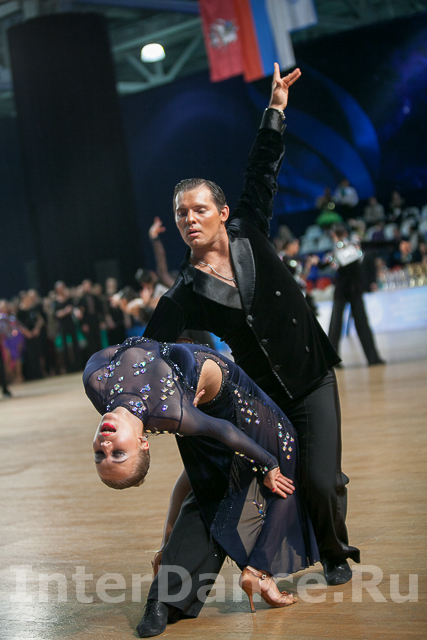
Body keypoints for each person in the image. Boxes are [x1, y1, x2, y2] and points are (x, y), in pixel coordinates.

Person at [142, 62, 359, 610]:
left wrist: (275, 111)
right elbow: (148, 351)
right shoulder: (183, 292)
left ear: (222, 213)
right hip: (261, 395)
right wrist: (135, 411)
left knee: (321, 481)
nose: (190, 219)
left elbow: (263, 167)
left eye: (199, 209)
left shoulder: (250, 229)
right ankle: (210, 571)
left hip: (310, 375)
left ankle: (335, 551)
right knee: (258, 482)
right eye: (181, 214)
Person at [84, 336, 319, 633]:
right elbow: (219, 439)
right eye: (117, 454)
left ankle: (254, 571)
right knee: (268, 469)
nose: (106, 445)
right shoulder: (172, 412)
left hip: (232, 404)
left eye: (100, 455)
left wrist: (269, 464)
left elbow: (123, 350)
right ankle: (248, 575)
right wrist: (270, 464)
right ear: (143, 443)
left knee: (272, 470)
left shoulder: (96, 385)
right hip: (218, 414)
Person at [327, 225, 385, 366]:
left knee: (338, 325)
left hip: (347, 290)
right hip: (350, 290)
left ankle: (332, 361)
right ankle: (373, 358)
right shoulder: (346, 249)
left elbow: (334, 266)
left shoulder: (347, 249)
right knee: (355, 324)